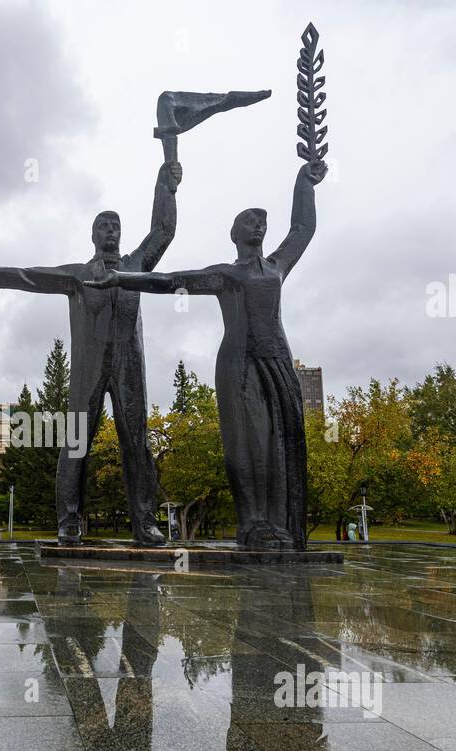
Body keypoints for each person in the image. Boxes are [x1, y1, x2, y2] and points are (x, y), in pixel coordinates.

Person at [0, 158, 184, 547]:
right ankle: (69, 520)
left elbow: (163, 231)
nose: (111, 231)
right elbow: (26, 276)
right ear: (93, 236)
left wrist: (165, 184)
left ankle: (145, 523)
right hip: (88, 371)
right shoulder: (77, 274)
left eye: (116, 225)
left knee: (136, 443)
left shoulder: (137, 265)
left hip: (129, 371)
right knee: (76, 443)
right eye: (103, 226)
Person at [85, 160, 327, 551]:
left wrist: (306, 183)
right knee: (244, 442)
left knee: (278, 441)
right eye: (251, 220)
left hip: (278, 362)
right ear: (235, 234)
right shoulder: (227, 275)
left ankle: (280, 524)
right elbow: (172, 281)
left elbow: (303, 230)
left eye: (262, 220)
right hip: (238, 364)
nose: (260, 225)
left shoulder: (277, 267)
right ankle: (252, 522)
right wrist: (124, 278)